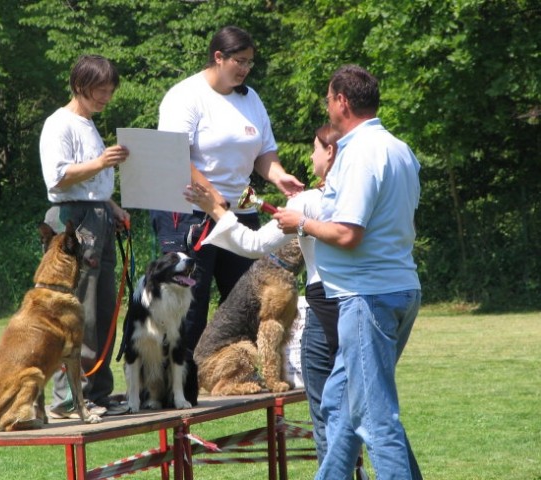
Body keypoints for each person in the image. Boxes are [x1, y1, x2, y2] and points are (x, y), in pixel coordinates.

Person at [275, 65, 422, 479]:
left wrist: (300, 223)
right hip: (398, 287)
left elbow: (347, 233)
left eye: (327, 98)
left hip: (366, 297)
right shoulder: (398, 147)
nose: (327, 104)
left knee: (376, 419)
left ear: (342, 101)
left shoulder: (358, 153)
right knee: (341, 409)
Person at [184, 124, 340, 463]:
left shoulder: (309, 204)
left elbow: (253, 243)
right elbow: (269, 331)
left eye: (315, 149)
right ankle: (237, 383)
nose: (311, 155)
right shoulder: (352, 194)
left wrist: (214, 207)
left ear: (330, 153)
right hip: (215, 359)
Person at [151, 25, 304, 356]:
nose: (246, 69)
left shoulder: (251, 99)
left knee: (247, 301)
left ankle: (240, 379)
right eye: (240, 61)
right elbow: (173, 156)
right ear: (218, 57)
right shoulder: (185, 96)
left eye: (250, 62)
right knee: (190, 304)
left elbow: (265, 153)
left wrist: (279, 176)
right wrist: (209, 192)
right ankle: (175, 392)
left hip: (239, 213)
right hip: (190, 213)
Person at [39, 54, 130, 418]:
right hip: (73, 222)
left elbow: (90, 183)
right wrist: (102, 163)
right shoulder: (59, 124)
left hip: (96, 217)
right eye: (100, 91)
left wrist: (112, 206)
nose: (106, 97)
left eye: (110, 91)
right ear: (80, 86)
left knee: (104, 309)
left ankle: (98, 392)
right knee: (78, 313)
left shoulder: (88, 123)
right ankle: (67, 399)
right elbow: (58, 179)